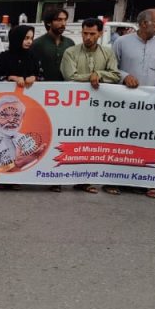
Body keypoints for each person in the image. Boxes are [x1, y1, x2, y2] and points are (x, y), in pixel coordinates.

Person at [113, 9, 155, 199]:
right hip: (125, 102)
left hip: (150, 104)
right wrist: (125, 76)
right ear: (144, 24)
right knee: (122, 140)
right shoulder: (121, 42)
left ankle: (140, 180)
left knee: (144, 140)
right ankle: (115, 180)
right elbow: (112, 68)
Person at [61, 18, 120, 195]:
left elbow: (115, 75)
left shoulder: (108, 53)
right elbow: (70, 76)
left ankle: (86, 179)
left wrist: (98, 74)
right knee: (72, 141)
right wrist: (91, 77)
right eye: (85, 33)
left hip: (99, 106)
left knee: (93, 142)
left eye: (92, 34)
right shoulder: (70, 52)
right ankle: (60, 177)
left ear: (100, 34)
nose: (88, 37)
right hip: (74, 105)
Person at [31, 8, 74, 82]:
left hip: (67, 88)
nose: (63, 24)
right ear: (48, 22)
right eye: (59, 20)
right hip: (42, 88)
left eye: (65, 20)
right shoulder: (37, 44)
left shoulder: (70, 43)